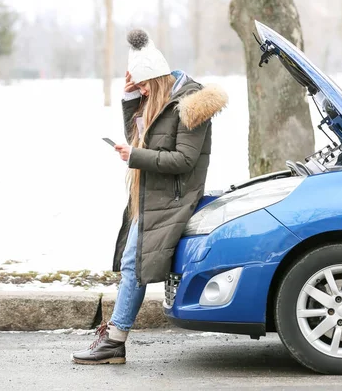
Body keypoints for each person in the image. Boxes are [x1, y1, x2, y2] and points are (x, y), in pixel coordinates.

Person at [72, 29, 228, 365]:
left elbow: (183, 161)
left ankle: (115, 340)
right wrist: (130, 100)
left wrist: (135, 157)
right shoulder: (159, 100)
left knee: (133, 264)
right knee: (133, 264)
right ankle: (114, 338)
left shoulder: (191, 106)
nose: (141, 90)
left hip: (173, 198)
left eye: (143, 85)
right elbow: (141, 137)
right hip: (152, 195)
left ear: (156, 80)